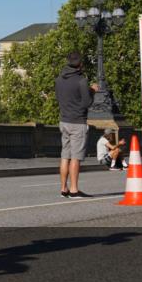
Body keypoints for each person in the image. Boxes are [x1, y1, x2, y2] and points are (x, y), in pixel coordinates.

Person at [54, 52, 98, 198]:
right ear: (80, 64)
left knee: (65, 156)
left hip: (64, 121)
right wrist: (92, 91)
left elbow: (59, 98)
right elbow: (86, 103)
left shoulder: (59, 79)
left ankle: (63, 188)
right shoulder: (81, 81)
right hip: (77, 122)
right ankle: (74, 189)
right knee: (75, 157)